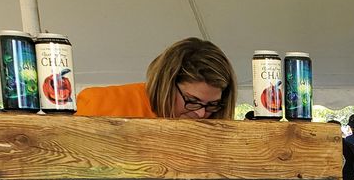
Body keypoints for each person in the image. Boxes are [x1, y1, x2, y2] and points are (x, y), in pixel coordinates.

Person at [76, 37, 236, 119]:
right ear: (166, 84)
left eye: (212, 105)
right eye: (192, 100)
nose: (201, 113)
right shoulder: (99, 104)